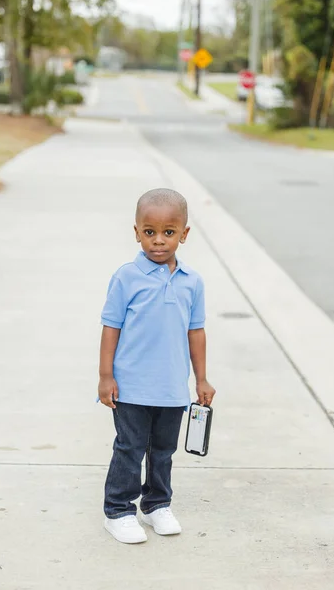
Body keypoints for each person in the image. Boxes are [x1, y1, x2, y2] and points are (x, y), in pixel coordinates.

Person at [98, 187, 216, 544]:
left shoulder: (192, 282)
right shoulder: (126, 277)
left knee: (163, 451)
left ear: (184, 234)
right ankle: (118, 510)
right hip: (131, 386)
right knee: (130, 448)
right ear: (136, 232)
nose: (159, 241)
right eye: (149, 232)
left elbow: (196, 331)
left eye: (169, 232)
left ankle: (156, 504)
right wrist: (106, 376)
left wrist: (202, 379)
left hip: (171, 388)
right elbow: (111, 327)